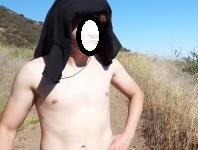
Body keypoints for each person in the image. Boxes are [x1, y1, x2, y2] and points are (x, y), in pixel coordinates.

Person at [0, 0, 144, 149]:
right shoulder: (34, 72)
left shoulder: (108, 63)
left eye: (97, 20)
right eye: (83, 20)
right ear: (63, 22)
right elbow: (7, 129)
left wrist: (127, 135)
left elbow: (136, 94)